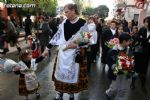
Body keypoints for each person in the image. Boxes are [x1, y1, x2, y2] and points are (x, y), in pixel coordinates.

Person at [42, 3, 95, 100]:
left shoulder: (83, 23)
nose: (65, 14)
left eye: (67, 12)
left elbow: (87, 40)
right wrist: (47, 49)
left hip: (75, 55)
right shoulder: (64, 23)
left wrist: (77, 45)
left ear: (73, 10)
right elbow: (56, 37)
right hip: (62, 55)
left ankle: (71, 94)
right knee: (61, 75)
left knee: (73, 75)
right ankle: (59, 93)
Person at [105, 33, 133, 100]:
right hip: (116, 72)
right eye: (129, 41)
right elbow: (108, 61)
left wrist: (131, 62)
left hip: (125, 72)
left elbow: (131, 58)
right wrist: (113, 66)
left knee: (123, 88)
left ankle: (120, 98)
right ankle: (108, 93)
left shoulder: (128, 49)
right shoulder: (113, 50)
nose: (130, 42)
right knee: (114, 87)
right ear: (124, 41)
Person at [130, 16, 150, 93]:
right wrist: (146, 40)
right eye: (145, 21)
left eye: (147, 22)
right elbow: (137, 38)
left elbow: (141, 39)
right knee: (135, 69)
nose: (145, 23)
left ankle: (143, 85)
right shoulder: (142, 29)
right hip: (138, 53)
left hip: (147, 55)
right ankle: (132, 83)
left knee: (144, 72)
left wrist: (143, 40)